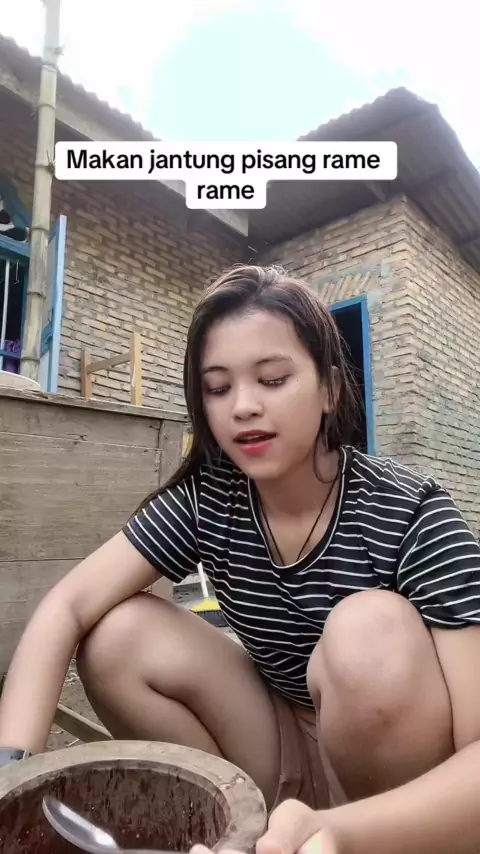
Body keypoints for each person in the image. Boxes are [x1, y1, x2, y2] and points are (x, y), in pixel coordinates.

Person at [1, 263, 480, 854]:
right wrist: (10, 775)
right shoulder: (210, 499)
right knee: (115, 635)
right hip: (276, 744)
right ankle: (244, 828)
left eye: (273, 379)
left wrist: (341, 831)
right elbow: (68, 605)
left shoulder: (411, 512)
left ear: (330, 389)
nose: (243, 407)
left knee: (370, 629)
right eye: (218, 388)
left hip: (401, 786)